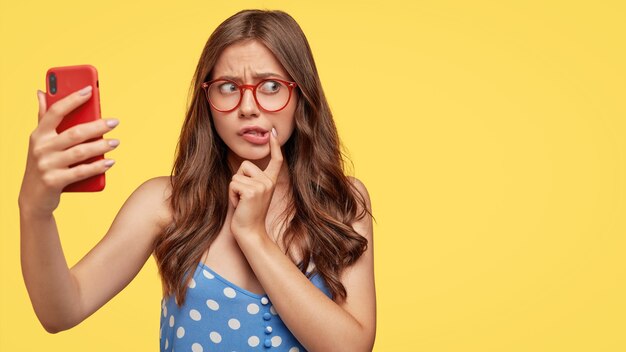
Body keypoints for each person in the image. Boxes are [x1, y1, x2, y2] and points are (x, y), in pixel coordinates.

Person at [19, 9, 376, 352]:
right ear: (206, 98)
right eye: (227, 87)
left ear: (301, 94)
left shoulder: (341, 200)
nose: (247, 106)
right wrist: (35, 211)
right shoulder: (164, 203)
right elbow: (61, 312)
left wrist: (253, 236)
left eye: (270, 86)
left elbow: (350, 347)